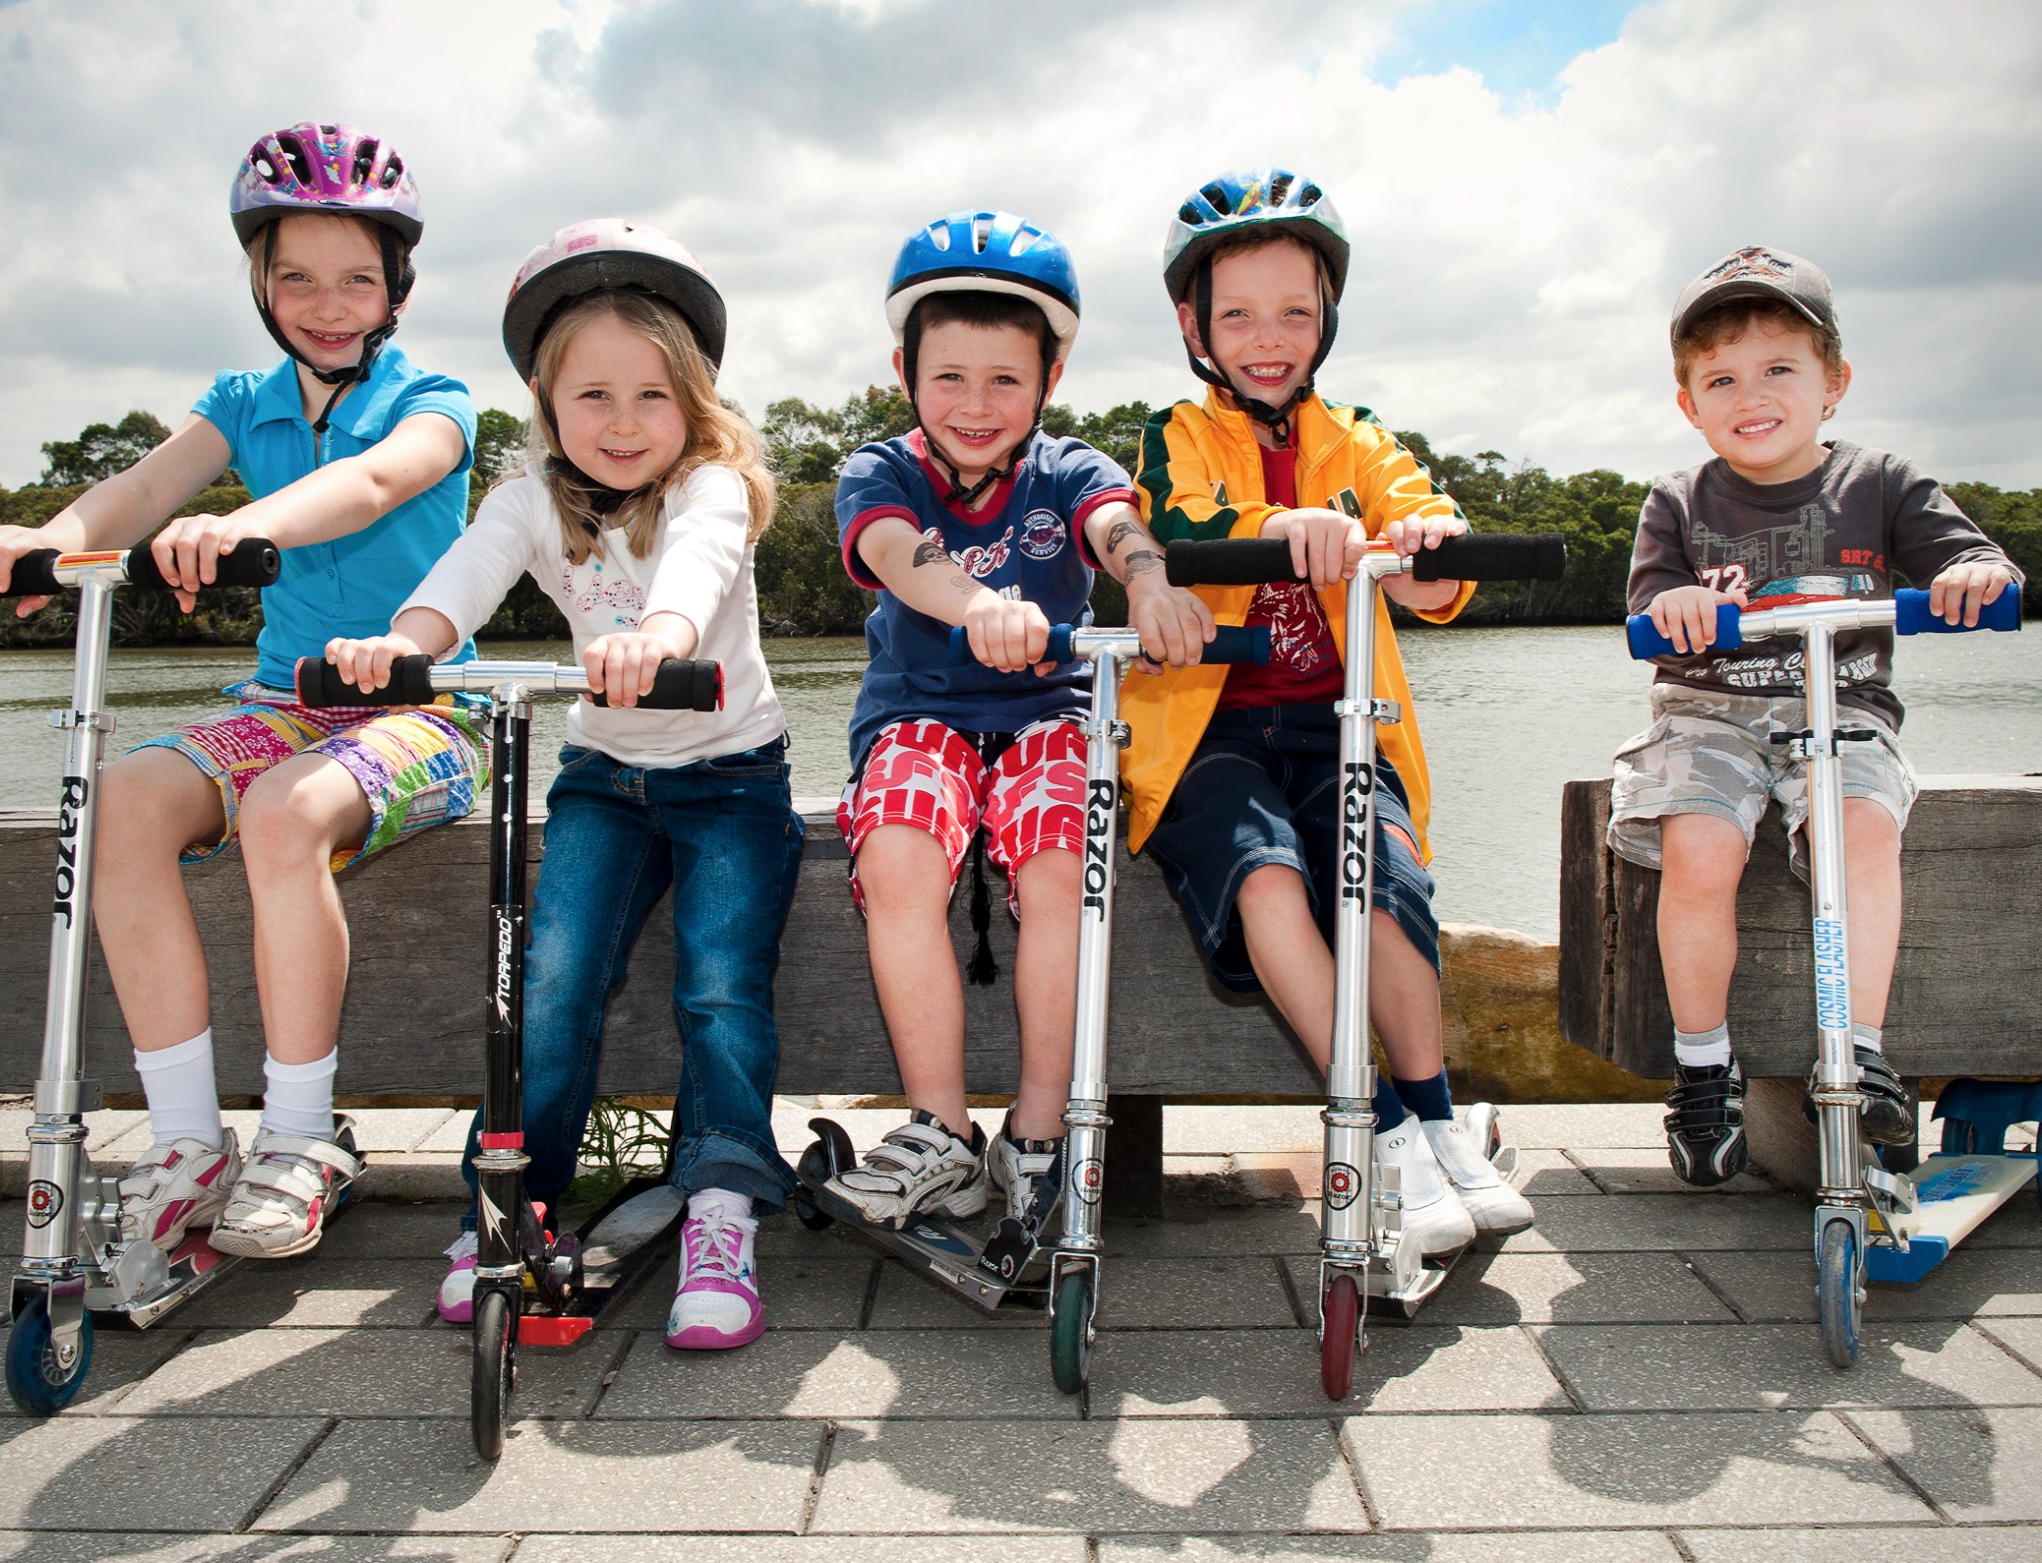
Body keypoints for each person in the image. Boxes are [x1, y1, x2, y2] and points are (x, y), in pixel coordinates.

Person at [0, 121, 481, 1259]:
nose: (326, 303)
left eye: (355, 278)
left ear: (396, 286)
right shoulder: (242, 398)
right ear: (258, 282)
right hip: (281, 703)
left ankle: (300, 1136)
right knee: (124, 798)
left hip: (422, 714)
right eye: (294, 276)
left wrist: (243, 524)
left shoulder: (436, 398)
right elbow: (141, 488)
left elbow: (374, 479)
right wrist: (37, 541)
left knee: (284, 809)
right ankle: (186, 1139)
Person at [324, 220, 798, 1350]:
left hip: (732, 776)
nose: (622, 423)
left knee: (721, 988)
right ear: (545, 403)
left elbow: (698, 568)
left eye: (649, 395)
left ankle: (722, 1207)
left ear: (692, 400)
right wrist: (403, 642)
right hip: (603, 779)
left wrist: (663, 632)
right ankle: (510, 1202)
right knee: (548, 979)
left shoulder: (714, 486)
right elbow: (463, 582)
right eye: (592, 396)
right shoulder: (529, 495)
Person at [1123, 167, 1533, 1264]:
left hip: (1343, 726)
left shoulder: (1357, 438)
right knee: (1265, 874)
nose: (1269, 337)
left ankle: (1440, 1123)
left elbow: (1424, 523)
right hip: (1209, 739)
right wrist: (1285, 518)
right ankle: (1377, 1131)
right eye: (1240, 313)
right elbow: (1181, 518)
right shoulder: (1176, 434)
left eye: (1295, 312)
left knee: (1387, 889)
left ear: (1328, 320)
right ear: (1193, 325)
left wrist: (1427, 563)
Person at [823, 210, 1217, 1230]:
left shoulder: (1067, 469)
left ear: (1046, 381)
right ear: (904, 371)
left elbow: (1116, 526)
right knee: (900, 853)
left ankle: (1039, 1130)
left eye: (1005, 379)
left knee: (1059, 865)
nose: (975, 404)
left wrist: (1149, 582)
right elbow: (896, 553)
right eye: (948, 376)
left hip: (1047, 710)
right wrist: (978, 605)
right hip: (922, 713)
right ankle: (942, 1131)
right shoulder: (880, 469)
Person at [1613, 244, 2021, 1185]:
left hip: (1843, 708)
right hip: (1709, 710)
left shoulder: (1882, 483)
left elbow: (1980, 563)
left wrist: (1973, 575)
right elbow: (1648, 611)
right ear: (1690, 403)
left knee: (1860, 829)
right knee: (1701, 846)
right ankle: (1703, 1066)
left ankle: (1863, 1050)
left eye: (1778, 370)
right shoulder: (1678, 499)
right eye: (1720, 378)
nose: (1749, 395)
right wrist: (1673, 606)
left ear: (1833, 383)